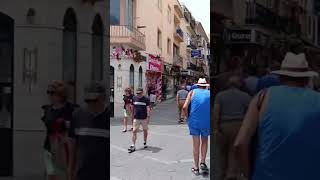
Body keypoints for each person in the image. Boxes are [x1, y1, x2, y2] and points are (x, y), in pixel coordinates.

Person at [234, 52, 320, 180]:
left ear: (281, 77)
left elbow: (240, 143)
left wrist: (247, 175)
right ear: (307, 79)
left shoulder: (263, 97)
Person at [68, 82, 109, 180]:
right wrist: (70, 170)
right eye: (87, 100)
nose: (90, 103)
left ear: (103, 98)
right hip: (82, 173)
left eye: (94, 100)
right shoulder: (77, 115)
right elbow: (72, 144)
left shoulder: (108, 117)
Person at [213, 76, 251, 180]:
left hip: (224, 126)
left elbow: (216, 113)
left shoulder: (220, 96)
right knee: (236, 152)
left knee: (223, 152)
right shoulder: (246, 96)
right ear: (239, 84)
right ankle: (235, 174)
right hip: (239, 126)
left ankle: (223, 174)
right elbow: (249, 114)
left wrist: (216, 129)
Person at [41, 80, 79, 180]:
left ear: (60, 94)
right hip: (50, 148)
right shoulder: (48, 110)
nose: (49, 95)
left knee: (68, 175)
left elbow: (73, 129)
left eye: (52, 92)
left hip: (66, 149)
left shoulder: (71, 109)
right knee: (51, 175)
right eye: (48, 92)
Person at [183, 78, 210, 176]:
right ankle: (202, 162)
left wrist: (187, 118)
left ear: (198, 85)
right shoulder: (210, 93)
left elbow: (184, 107)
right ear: (206, 85)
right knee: (205, 142)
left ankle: (196, 168)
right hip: (207, 122)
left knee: (195, 145)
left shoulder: (192, 92)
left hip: (194, 121)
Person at [128, 87, 151, 153]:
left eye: (139, 93)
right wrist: (132, 116)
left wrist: (148, 117)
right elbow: (132, 107)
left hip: (144, 118)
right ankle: (133, 145)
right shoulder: (134, 98)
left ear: (142, 92)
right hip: (136, 118)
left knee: (145, 130)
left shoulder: (146, 99)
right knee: (134, 131)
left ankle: (145, 142)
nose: (138, 94)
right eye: (137, 93)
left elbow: (148, 108)